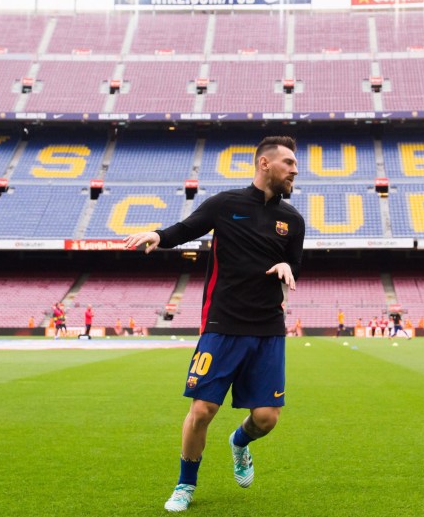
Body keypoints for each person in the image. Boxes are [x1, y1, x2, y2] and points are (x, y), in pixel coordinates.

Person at [123, 136, 304, 513]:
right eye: (287, 162)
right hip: (222, 324)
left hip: (268, 328)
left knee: (267, 419)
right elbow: (186, 228)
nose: (295, 169)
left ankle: (239, 443)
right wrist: (158, 235)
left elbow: (295, 265)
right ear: (264, 164)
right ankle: (185, 485)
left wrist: (289, 267)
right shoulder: (225, 204)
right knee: (203, 409)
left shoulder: (293, 220)